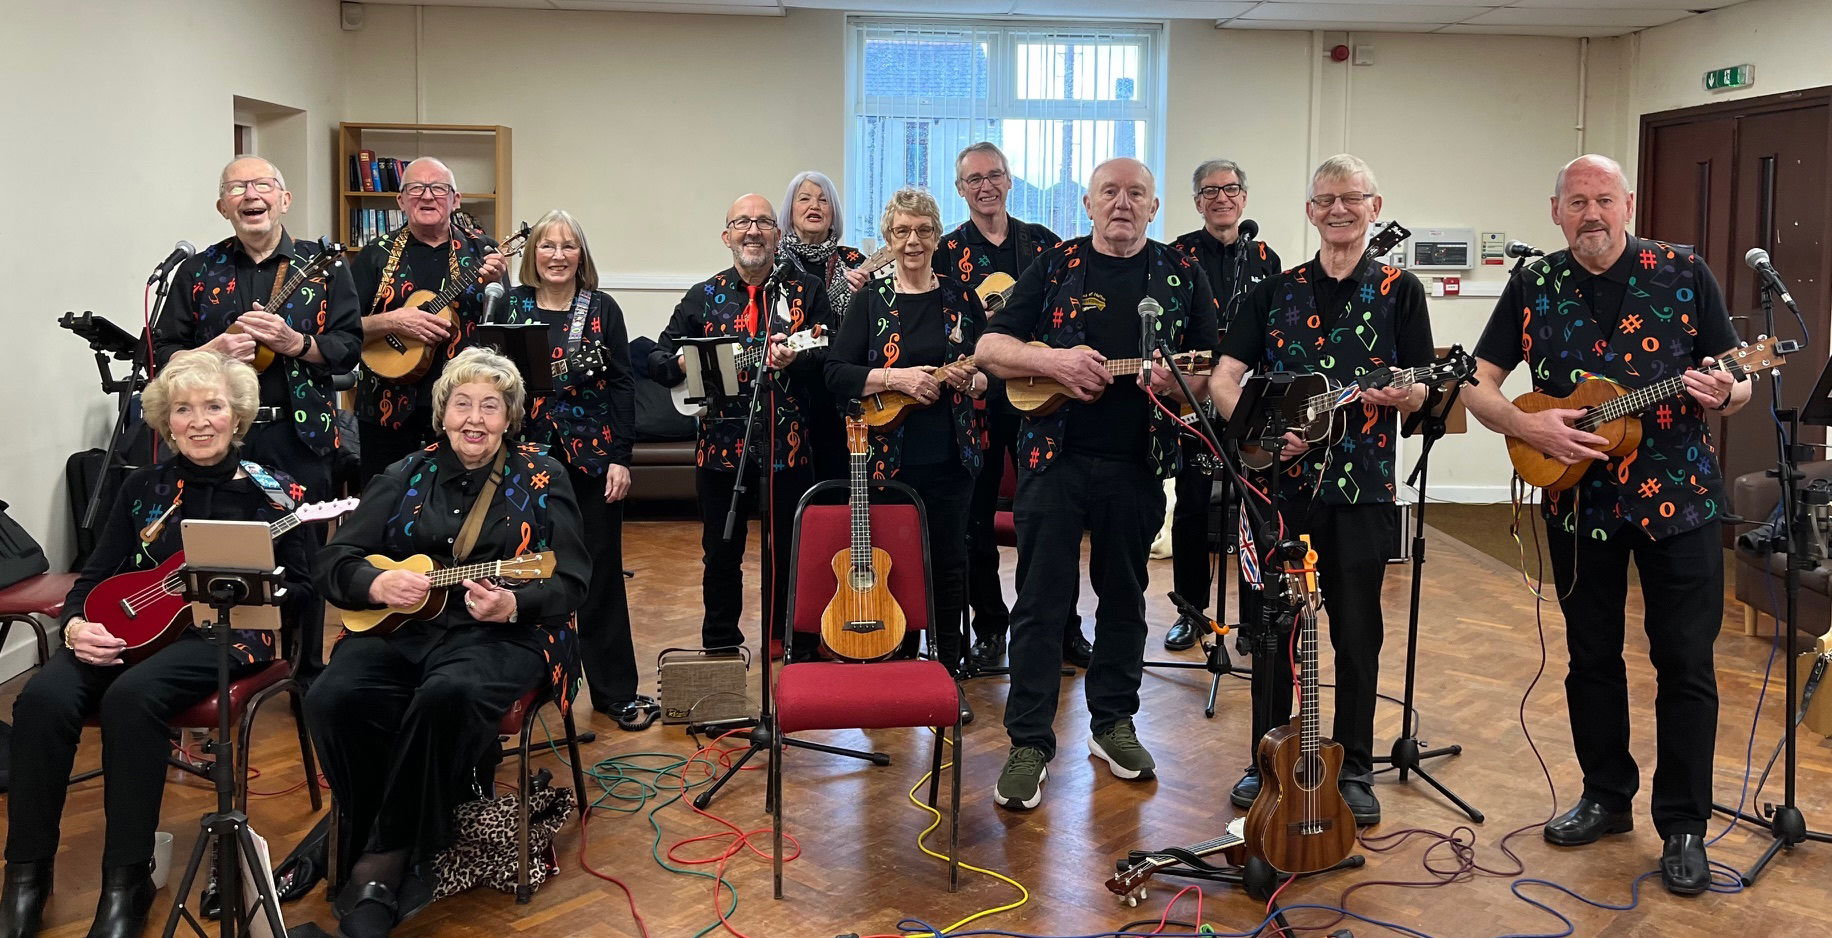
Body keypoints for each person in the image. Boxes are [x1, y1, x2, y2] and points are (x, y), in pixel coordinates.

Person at [1460, 154, 1743, 896]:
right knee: (1591, 657)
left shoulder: (1683, 273)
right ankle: (1606, 797)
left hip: (1678, 502)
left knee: (1684, 661)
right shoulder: (1534, 282)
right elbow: (1476, 381)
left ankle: (1683, 823)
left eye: (1605, 200)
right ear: (1556, 210)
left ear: (1628, 206)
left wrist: (1729, 392)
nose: (1592, 213)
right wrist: (1532, 428)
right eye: (1577, 201)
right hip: (1579, 501)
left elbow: (1733, 379)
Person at [2, 351, 315, 938]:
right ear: (165, 422)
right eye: (183, 410)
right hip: (134, 629)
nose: (199, 421)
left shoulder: (274, 493)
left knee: (132, 698)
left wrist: (259, 586)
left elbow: (304, 587)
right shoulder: (142, 487)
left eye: (213, 407)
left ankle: (127, 881)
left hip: (231, 634)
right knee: (42, 698)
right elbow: (92, 575)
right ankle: (26, 876)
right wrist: (74, 626)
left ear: (237, 415)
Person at [307, 347, 589, 938]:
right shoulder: (405, 472)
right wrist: (377, 582)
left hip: (497, 633)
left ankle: (380, 860)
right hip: (400, 628)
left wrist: (515, 602)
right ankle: (368, 833)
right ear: (442, 413)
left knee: (448, 694)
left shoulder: (544, 475)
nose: (475, 418)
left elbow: (570, 577)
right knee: (332, 696)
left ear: (510, 417)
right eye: (462, 403)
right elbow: (334, 561)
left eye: (491, 406)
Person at [975, 157, 1219, 809]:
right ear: (1087, 203)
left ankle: (1113, 724)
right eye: (1109, 192)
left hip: (1136, 464)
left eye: (1136, 192)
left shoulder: (1181, 272)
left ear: (1154, 206)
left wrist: (1180, 381)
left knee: (1126, 599)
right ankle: (1029, 742)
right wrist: (1050, 358)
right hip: (1053, 463)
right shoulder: (1054, 266)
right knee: (1039, 601)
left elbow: (1213, 368)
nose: (1122, 203)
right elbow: (989, 349)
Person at [1208, 154, 1434, 829]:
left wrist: (1406, 391)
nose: (1338, 210)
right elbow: (1225, 375)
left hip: (1362, 489)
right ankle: (1266, 760)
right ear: (1310, 211)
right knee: (1274, 627)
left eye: (1352, 198)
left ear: (1373, 205)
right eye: (1326, 199)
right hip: (1279, 488)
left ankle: (1356, 766)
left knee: (1357, 630)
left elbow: (1424, 386)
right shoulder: (1273, 291)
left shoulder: (1401, 290)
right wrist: (1257, 433)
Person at [154, 155, 362, 679]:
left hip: (298, 437)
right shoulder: (196, 271)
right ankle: (215, 669)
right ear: (223, 205)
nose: (251, 195)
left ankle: (306, 674)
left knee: (304, 561)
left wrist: (298, 342)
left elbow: (347, 349)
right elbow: (160, 356)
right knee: (211, 555)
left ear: (284, 199)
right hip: (217, 443)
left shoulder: (325, 265)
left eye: (263, 185)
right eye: (238, 187)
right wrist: (212, 350)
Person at [645, 195, 833, 658]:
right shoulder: (701, 295)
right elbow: (656, 357)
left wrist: (797, 357)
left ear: (777, 234)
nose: (753, 231)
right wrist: (682, 365)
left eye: (764, 222)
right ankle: (722, 644)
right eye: (742, 223)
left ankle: (791, 640)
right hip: (719, 448)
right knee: (722, 552)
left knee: (790, 550)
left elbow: (830, 353)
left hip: (787, 446)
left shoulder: (805, 291)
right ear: (726, 235)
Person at [824, 187, 986, 709]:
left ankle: (945, 669)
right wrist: (895, 377)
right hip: (885, 462)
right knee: (893, 562)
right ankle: (893, 663)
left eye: (922, 231)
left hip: (952, 457)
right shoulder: (871, 299)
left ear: (938, 236)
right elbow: (835, 372)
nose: (912, 241)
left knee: (948, 563)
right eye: (901, 232)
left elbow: (990, 372)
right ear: (888, 239)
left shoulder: (961, 297)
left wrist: (975, 382)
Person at [930, 141, 1083, 672]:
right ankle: (991, 626)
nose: (986, 186)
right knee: (974, 523)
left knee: (1052, 520)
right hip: (975, 405)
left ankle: (1064, 629)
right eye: (974, 179)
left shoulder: (1044, 245)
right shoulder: (945, 253)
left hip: (1042, 399)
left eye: (994, 175)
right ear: (960, 189)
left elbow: (1067, 316)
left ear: (1010, 179)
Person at [497, 209, 651, 729]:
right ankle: (526, 687)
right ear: (531, 255)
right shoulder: (509, 306)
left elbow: (624, 387)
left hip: (591, 461)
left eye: (568, 246)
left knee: (601, 574)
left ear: (581, 255)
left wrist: (620, 459)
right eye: (547, 246)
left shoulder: (602, 309)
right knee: (521, 570)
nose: (557, 255)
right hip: (521, 462)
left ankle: (614, 693)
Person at [1163, 159, 1283, 652]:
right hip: (1193, 395)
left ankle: (1255, 617)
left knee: (1254, 507)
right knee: (1193, 505)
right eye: (1210, 191)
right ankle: (1191, 612)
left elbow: (1276, 328)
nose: (1221, 198)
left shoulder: (1265, 258)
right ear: (1197, 202)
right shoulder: (1178, 256)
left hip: (1247, 396)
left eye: (1230, 188)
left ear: (1244, 197)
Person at [351, 157, 507, 481]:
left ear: (455, 199)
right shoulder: (374, 254)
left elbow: (503, 330)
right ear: (401, 200)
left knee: (459, 497)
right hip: (384, 404)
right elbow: (342, 330)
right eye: (416, 188)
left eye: (438, 188)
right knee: (384, 499)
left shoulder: (484, 251)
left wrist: (498, 285)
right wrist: (392, 322)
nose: (427, 196)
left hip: (463, 407)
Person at [778, 171, 867, 483]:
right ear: (790, 210)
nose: (814, 205)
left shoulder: (856, 260)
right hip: (787, 387)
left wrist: (862, 297)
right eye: (804, 198)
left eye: (823, 199)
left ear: (834, 213)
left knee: (837, 476)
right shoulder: (774, 264)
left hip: (838, 390)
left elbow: (874, 326)